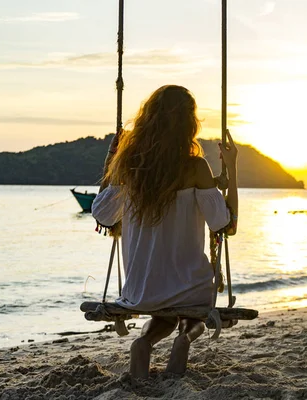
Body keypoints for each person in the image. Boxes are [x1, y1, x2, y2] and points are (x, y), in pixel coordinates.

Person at [91, 85, 238, 379]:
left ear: (148, 119)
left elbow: (101, 215)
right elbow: (226, 226)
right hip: (188, 289)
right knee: (191, 311)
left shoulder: (129, 166)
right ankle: (183, 341)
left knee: (162, 312)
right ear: (189, 124)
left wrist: (111, 162)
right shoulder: (196, 168)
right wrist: (231, 170)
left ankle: (143, 342)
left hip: (140, 291)